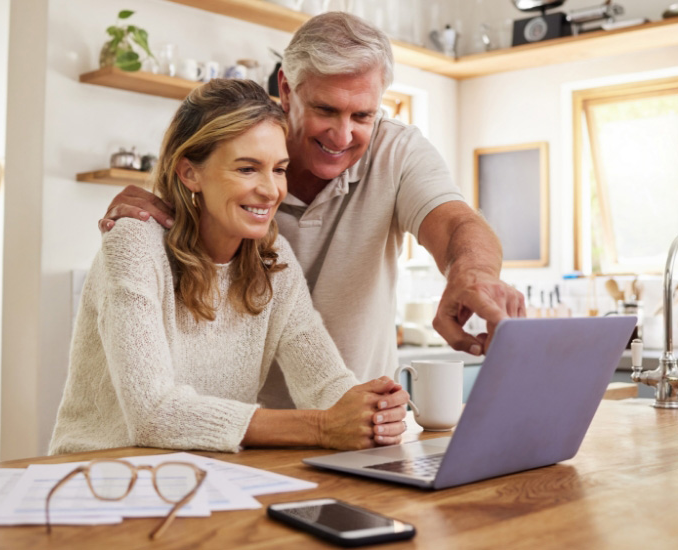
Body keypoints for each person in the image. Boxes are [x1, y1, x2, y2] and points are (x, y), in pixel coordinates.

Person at [98, 12, 525, 410]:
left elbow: (456, 224)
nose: (343, 135)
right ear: (286, 89)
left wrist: (472, 274)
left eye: (363, 115)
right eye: (325, 109)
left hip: (344, 422)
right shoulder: (231, 163)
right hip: (232, 430)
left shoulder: (397, 152)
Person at [49, 79, 408, 455]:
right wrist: (321, 427)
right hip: (98, 480)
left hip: (207, 479)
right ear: (190, 173)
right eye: (248, 168)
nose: (271, 191)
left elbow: (326, 385)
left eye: (279, 169)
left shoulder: (273, 259)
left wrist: (372, 410)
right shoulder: (135, 243)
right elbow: (153, 413)